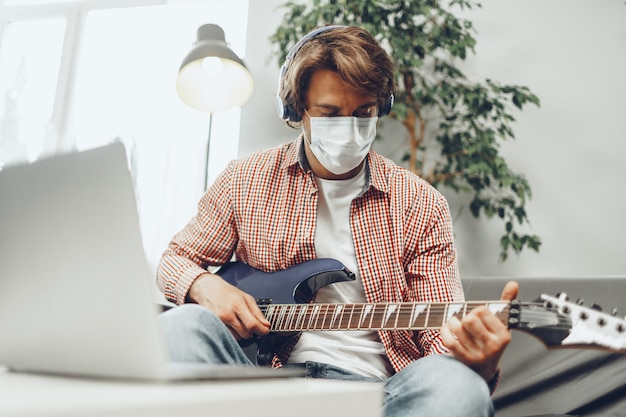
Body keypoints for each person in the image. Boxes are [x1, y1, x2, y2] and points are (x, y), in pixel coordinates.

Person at [157, 25, 519, 417]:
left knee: (457, 385)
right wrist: (205, 285)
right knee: (182, 327)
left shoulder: (421, 202)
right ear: (296, 110)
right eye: (330, 114)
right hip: (264, 382)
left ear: (381, 109)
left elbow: (438, 339)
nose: (349, 129)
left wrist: (476, 364)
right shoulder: (245, 179)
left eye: (363, 114)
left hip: (380, 394)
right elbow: (175, 260)